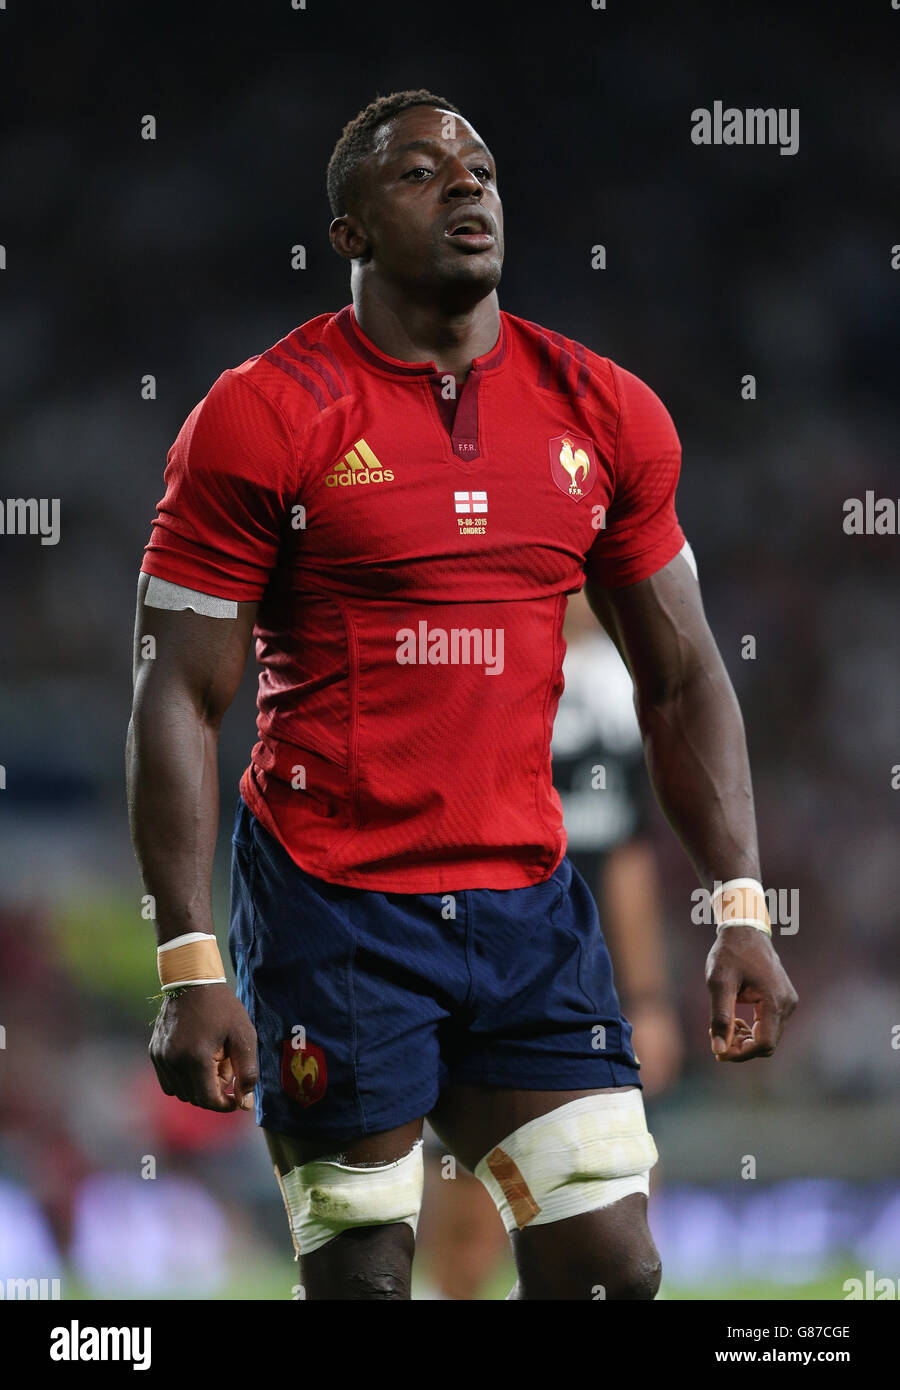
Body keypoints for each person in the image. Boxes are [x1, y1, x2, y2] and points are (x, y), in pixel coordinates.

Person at [126, 89, 798, 1301]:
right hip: (335, 906)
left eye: (479, 167)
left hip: (528, 909)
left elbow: (686, 674)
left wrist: (740, 905)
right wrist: (188, 962)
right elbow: (175, 691)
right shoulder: (262, 415)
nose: (467, 185)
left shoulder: (607, 413)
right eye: (420, 171)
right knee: (370, 1282)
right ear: (351, 231)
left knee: (614, 1267)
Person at [418, 592, 684, 1299]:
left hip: (581, 984)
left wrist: (649, 998)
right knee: (469, 1214)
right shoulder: (478, 667)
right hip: (485, 966)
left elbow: (625, 854)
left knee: (618, 1207)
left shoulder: (613, 688)